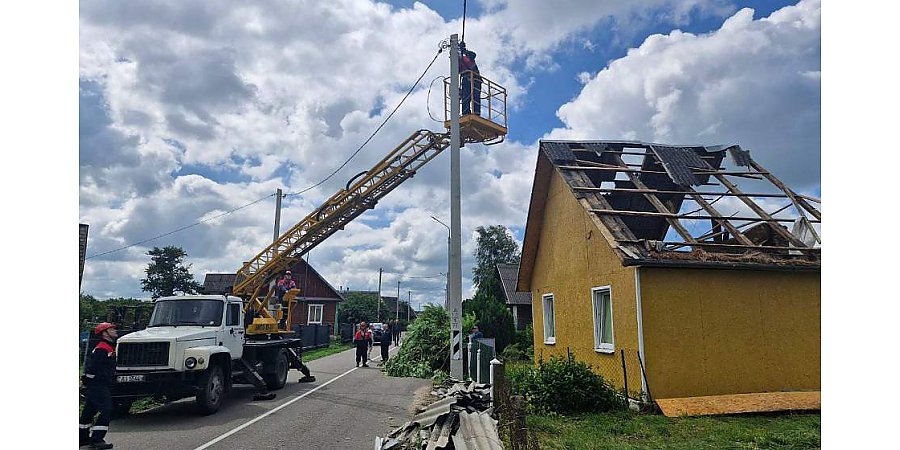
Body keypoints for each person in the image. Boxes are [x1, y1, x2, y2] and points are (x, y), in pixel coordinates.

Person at [79, 322, 118, 449]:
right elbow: (92, 368)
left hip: (98, 384)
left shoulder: (107, 347)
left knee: (88, 412)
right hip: (98, 385)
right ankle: (97, 439)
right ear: (104, 333)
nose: (115, 331)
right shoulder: (102, 348)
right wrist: (86, 381)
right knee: (106, 410)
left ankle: (82, 438)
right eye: (112, 329)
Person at [459, 42, 481, 116]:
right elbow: (457, 71)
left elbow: (473, 55)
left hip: (475, 79)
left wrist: (464, 50)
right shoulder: (459, 61)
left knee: (475, 97)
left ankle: (476, 112)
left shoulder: (468, 57)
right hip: (466, 79)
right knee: (466, 96)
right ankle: (466, 112)